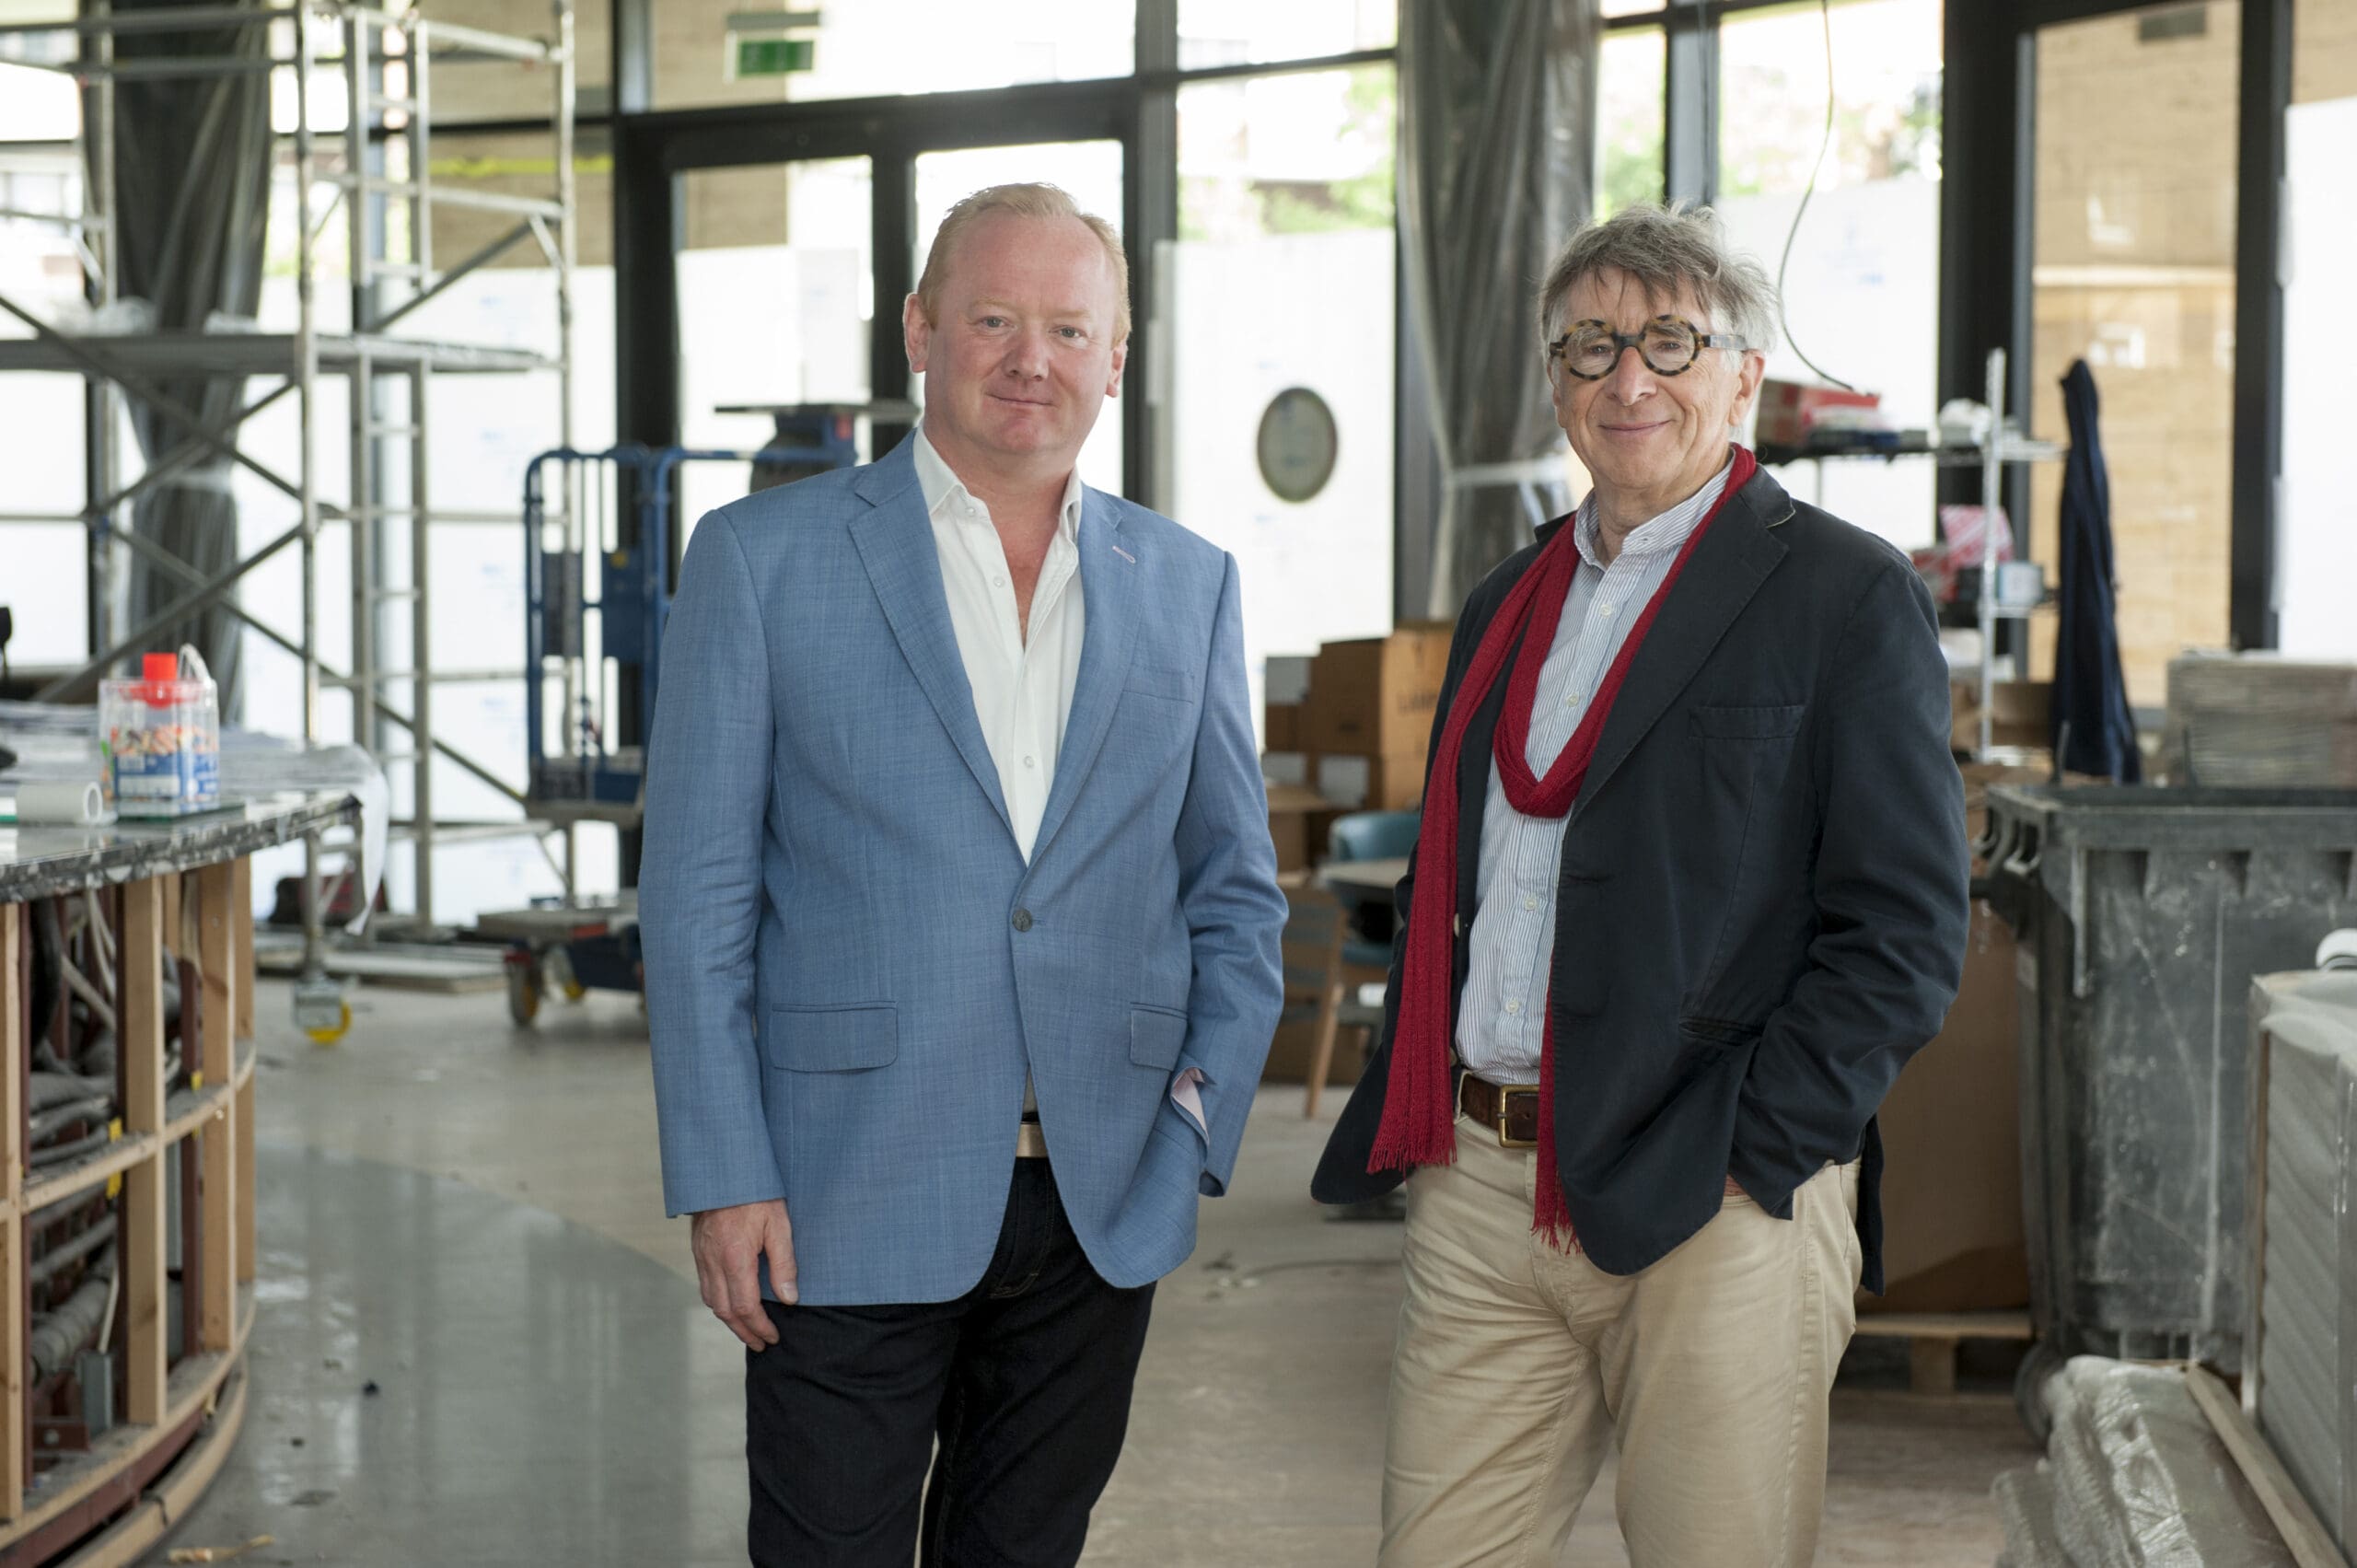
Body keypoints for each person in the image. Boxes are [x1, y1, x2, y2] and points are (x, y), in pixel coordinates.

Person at [1312, 201, 1970, 1567]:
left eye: (1672, 342)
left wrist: (1756, 1151)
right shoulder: (1507, 603)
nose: (1630, 379)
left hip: (1712, 1193)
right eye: (1593, 344)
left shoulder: (1845, 598)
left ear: (1743, 375)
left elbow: (1904, 932)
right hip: (1484, 1180)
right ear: (1556, 379)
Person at [639, 181, 1287, 1568]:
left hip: (1103, 1196)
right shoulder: (761, 562)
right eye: (993, 317)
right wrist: (722, 1170)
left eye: (1068, 325)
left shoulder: (1191, 583)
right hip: (837, 1191)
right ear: (921, 332)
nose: (1030, 357)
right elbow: (694, 902)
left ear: (1118, 356)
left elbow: (1236, 892)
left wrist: (1194, 1128)